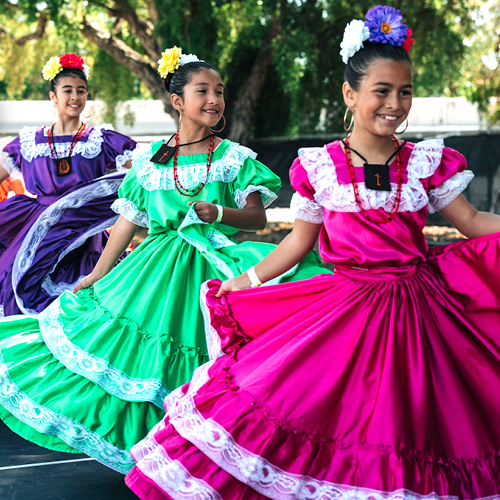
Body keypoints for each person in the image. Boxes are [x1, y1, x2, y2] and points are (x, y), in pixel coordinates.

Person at [125, 8, 500, 499]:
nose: (394, 104)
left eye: (404, 92)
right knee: (313, 408)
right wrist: (250, 279)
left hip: (420, 310)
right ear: (350, 94)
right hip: (345, 308)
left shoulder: (426, 163)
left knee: (420, 422)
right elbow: (298, 241)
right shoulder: (320, 168)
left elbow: (472, 224)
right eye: (381, 92)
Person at [0, 47, 328, 474]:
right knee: (134, 361)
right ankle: (160, 455)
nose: (214, 99)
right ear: (178, 101)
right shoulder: (150, 160)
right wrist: (98, 274)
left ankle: (206, 456)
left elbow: (258, 216)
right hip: (152, 273)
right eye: (203, 91)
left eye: (220, 92)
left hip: (211, 267)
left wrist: (220, 214)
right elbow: (126, 222)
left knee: (209, 366)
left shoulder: (232, 157)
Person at [0, 52, 136, 317]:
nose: (75, 96)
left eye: (81, 91)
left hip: (83, 233)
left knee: (83, 302)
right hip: (36, 231)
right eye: (68, 90)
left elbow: (145, 174)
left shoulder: (102, 140)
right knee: (20, 290)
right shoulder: (29, 143)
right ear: (53, 96)